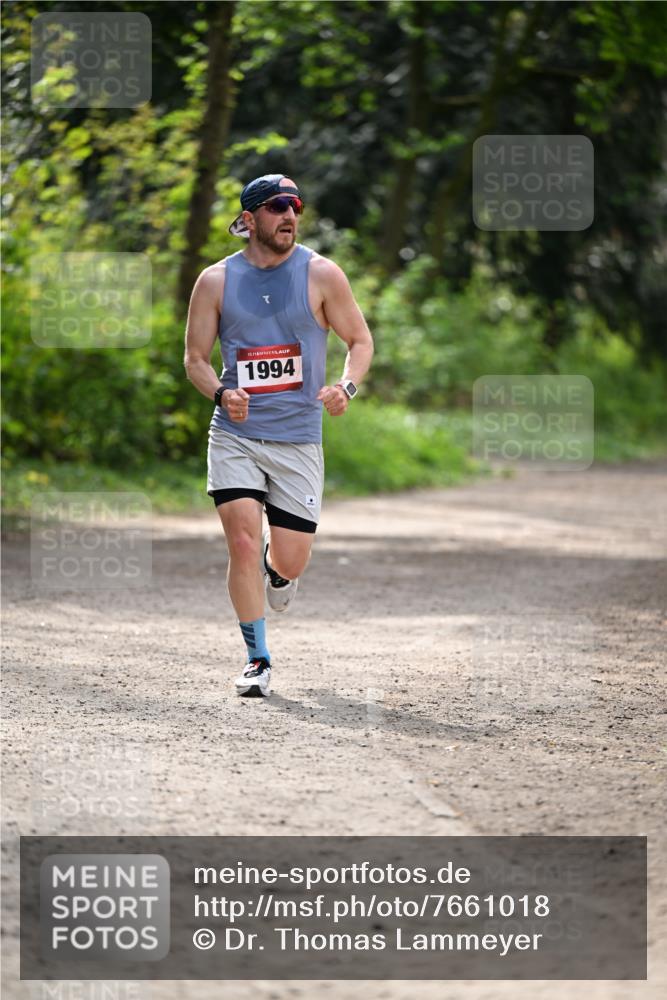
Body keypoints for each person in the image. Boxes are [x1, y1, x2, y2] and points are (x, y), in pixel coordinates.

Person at [184, 174, 374, 697]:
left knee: (288, 559)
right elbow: (195, 360)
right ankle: (257, 659)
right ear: (247, 220)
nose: (289, 214)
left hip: (297, 439)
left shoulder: (321, 274)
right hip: (236, 433)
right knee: (242, 542)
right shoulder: (215, 281)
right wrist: (222, 395)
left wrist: (347, 386)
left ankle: (279, 571)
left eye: (295, 206)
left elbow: (359, 340)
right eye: (276, 206)